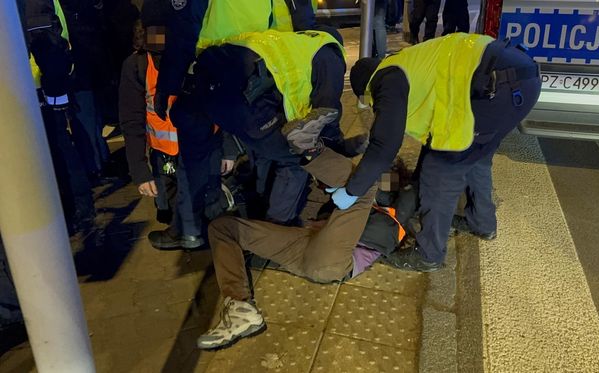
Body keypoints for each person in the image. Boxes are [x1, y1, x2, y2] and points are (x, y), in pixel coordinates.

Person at [345, 33, 542, 271]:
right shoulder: (408, 64)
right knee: (476, 157)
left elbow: (384, 147)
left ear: (366, 87)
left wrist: (352, 190)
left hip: (494, 87)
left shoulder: (387, 81)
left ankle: (429, 254)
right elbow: (432, 132)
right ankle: (482, 222)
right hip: (517, 81)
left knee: (440, 171)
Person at [168, 29, 357, 225]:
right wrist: (335, 148)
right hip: (243, 100)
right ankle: (277, 226)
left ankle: (195, 227)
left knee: (264, 146)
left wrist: (230, 150)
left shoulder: (292, 41)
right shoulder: (331, 56)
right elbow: (328, 111)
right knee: (297, 159)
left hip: (201, 84)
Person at [198, 147, 380, 350]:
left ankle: (309, 148)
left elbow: (378, 219)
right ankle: (240, 310)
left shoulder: (388, 208)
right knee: (222, 228)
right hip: (308, 241)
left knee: (364, 185)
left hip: (332, 261)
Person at [119, 13, 240, 249]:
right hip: (169, 153)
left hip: (201, 146)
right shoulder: (137, 66)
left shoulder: (202, 58)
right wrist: (139, 170)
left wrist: (228, 149)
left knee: (205, 198)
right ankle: (189, 232)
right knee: (173, 199)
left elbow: (222, 104)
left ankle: (198, 235)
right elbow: (131, 119)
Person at [18, 0, 95, 234]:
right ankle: (74, 206)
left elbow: (48, 47)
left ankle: (74, 208)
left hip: (37, 87)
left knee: (57, 149)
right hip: (38, 86)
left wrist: (56, 95)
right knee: (58, 148)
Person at [59, 0, 112, 184]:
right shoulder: (72, 8)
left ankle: (99, 161)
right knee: (86, 118)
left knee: (91, 117)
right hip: (80, 69)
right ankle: (95, 166)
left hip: (87, 66)